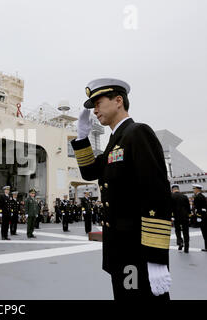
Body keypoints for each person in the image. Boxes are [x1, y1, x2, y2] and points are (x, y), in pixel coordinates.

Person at [71, 78, 172, 299]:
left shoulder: (137, 133)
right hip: (119, 250)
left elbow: (156, 195)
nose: (95, 110)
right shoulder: (115, 141)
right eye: (92, 106)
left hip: (137, 250)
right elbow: (90, 172)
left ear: (118, 100)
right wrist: (81, 138)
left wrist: (156, 258)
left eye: (98, 103)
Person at [170, 184, 190, 253]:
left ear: (172, 190)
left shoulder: (171, 196)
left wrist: (172, 216)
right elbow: (188, 207)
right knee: (186, 232)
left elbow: (170, 208)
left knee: (177, 230)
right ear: (178, 189)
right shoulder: (184, 196)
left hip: (176, 217)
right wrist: (189, 215)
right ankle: (186, 248)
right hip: (185, 217)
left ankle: (180, 242)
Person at [192, 184, 207, 251]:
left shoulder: (198, 197)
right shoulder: (202, 196)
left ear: (197, 189)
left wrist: (198, 216)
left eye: (194, 189)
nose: (193, 190)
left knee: (204, 232)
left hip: (201, 217)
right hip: (203, 216)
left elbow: (198, 208)